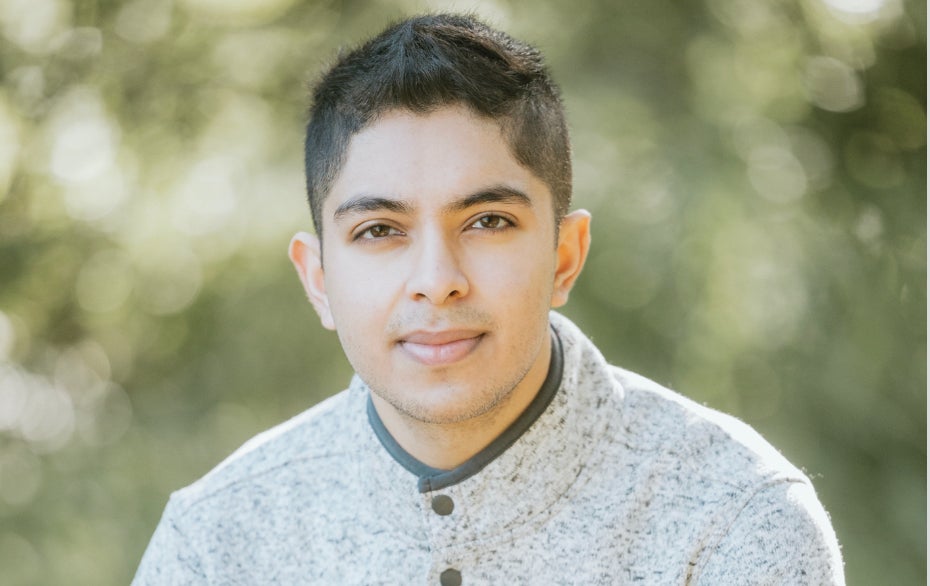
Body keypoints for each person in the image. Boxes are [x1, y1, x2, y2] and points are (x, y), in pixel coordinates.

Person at [134, 13, 844, 585]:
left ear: (564, 256)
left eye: (488, 221)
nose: (437, 278)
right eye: (380, 230)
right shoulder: (216, 543)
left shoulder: (733, 524)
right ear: (318, 278)